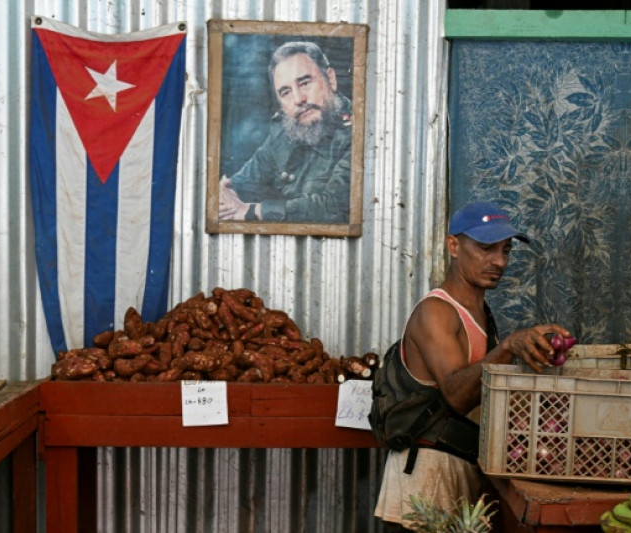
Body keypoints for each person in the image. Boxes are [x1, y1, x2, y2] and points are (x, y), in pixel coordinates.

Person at [373, 200, 571, 532]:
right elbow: (456, 395)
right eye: (486, 248)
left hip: (459, 467)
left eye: (505, 250)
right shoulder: (436, 312)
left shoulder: (479, 313)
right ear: (453, 246)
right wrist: (508, 347)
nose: (499, 261)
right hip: (426, 476)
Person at [219, 41, 352, 224]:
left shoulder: (360, 133)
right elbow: (241, 183)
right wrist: (225, 194)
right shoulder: (284, 132)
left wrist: (253, 211)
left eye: (305, 83)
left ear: (331, 79)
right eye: (286, 92)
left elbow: (335, 207)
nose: (298, 99)